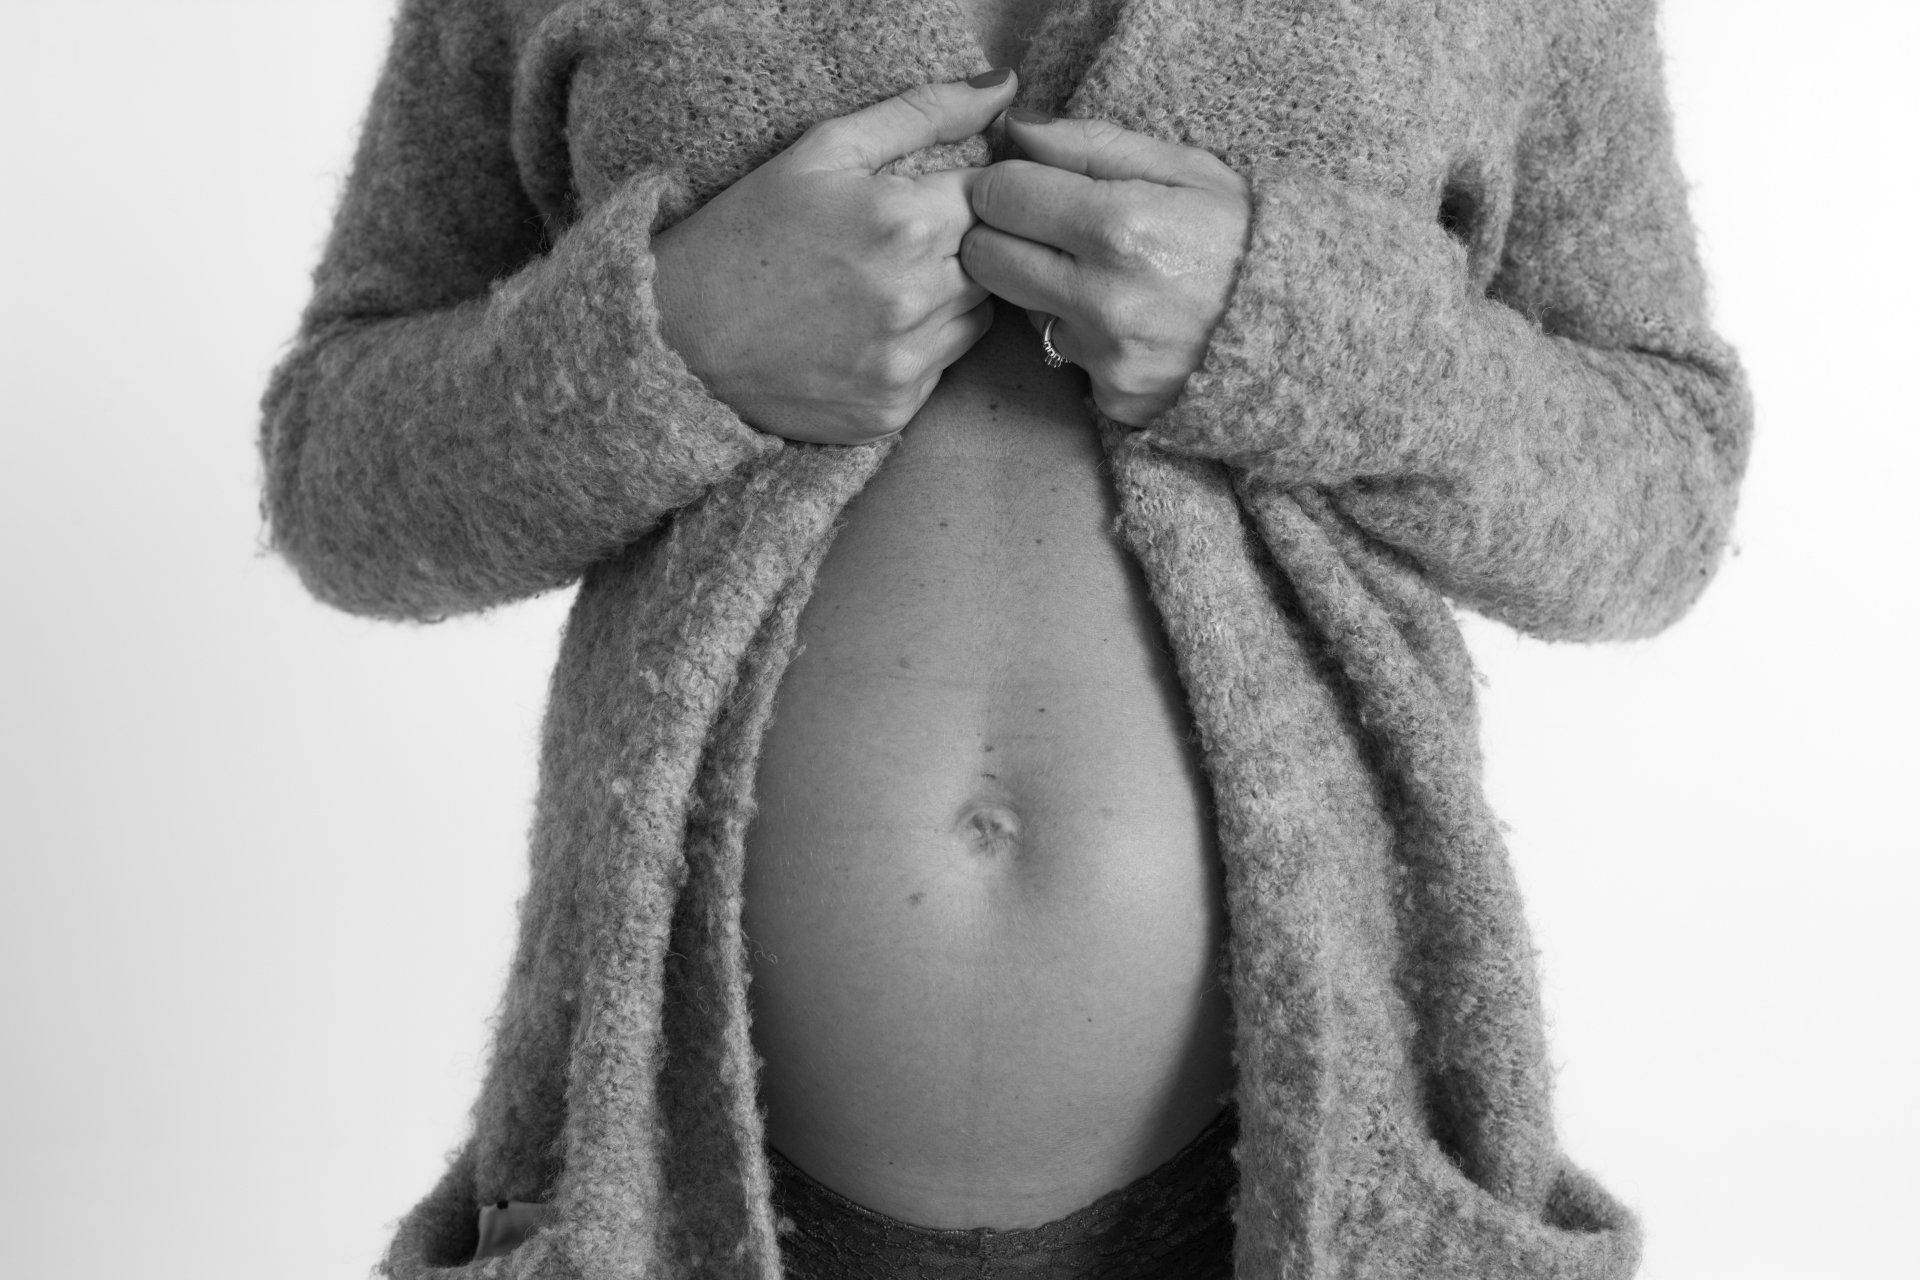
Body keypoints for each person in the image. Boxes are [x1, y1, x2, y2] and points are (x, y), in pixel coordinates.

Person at [257, 0, 1752, 1275]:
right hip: (687, 1191)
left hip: (1311, 1184)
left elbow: (1662, 498)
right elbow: (336, 482)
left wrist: (1300, 326)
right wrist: (671, 337)